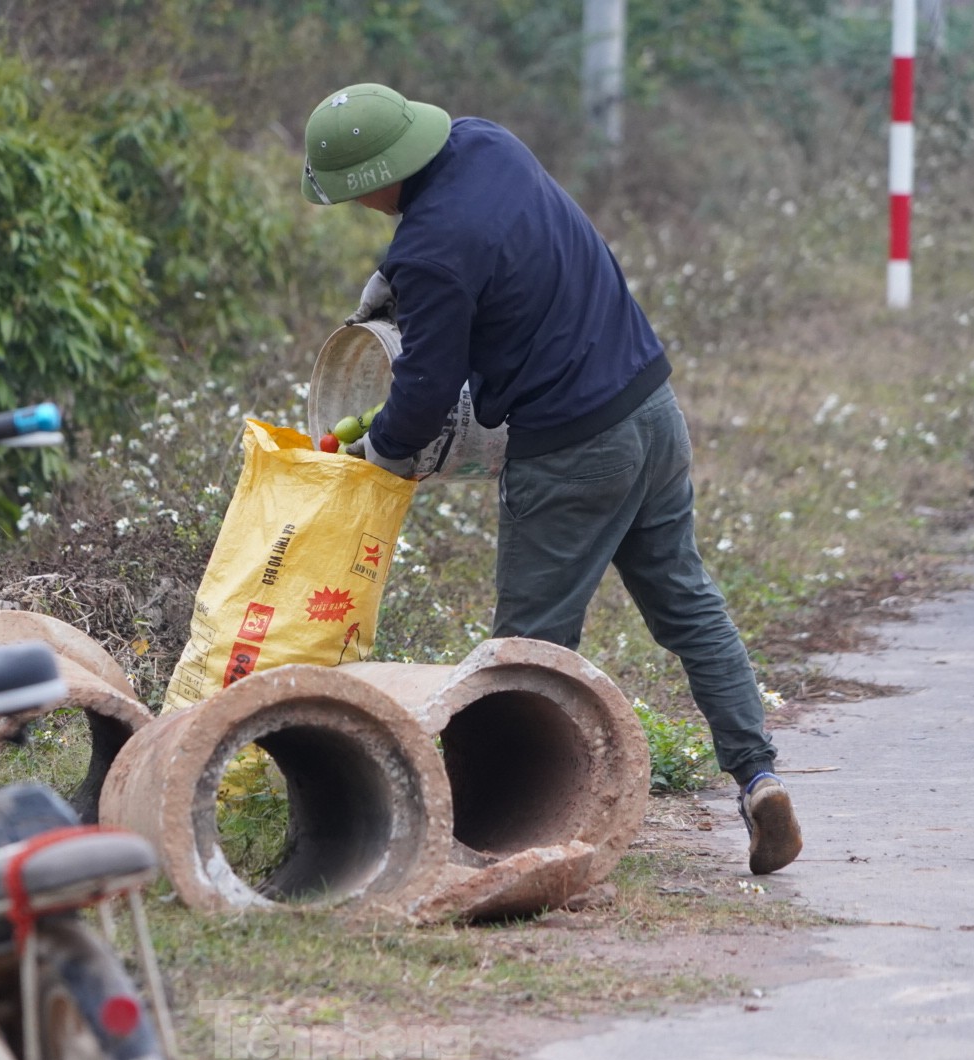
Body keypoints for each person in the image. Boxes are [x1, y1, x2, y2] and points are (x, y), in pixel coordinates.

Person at [300, 83, 802, 875]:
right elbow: (495, 250)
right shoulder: (487, 141)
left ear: (376, 178)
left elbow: (425, 393)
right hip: (652, 408)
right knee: (687, 602)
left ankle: (500, 833)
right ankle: (758, 776)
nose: (359, 208)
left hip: (573, 448)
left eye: (355, 194)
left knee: (525, 653)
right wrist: (400, 281)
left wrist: (380, 453)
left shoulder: (428, 248)